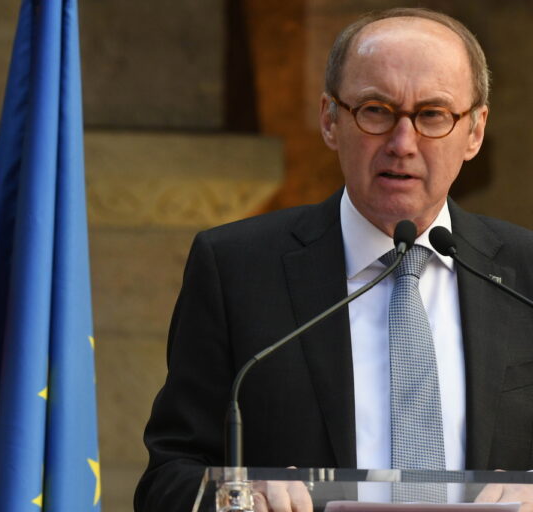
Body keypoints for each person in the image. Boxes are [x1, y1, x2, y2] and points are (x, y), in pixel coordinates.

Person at [135, 7, 533, 512]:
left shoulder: (525, 274)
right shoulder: (235, 268)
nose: (403, 143)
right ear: (330, 119)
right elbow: (167, 479)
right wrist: (240, 497)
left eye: (432, 115)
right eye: (375, 110)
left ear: (474, 130)